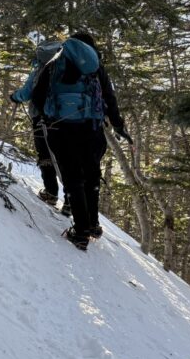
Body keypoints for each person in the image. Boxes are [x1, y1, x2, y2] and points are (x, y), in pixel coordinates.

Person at [16, 30, 132, 250]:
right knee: (92, 176)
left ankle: (80, 232)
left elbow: (38, 94)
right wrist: (117, 125)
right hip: (93, 129)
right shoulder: (96, 68)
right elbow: (110, 97)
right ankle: (94, 224)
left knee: (72, 178)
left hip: (61, 128)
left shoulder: (54, 62)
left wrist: (45, 117)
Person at [10, 40, 67, 212]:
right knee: (65, 159)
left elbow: (27, 92)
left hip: (42, 120)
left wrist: (14, 96)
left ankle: (51, 193)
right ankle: (72, 200)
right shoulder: (67, 69)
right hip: (66, 121)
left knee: (45, 155)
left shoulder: (41, 70)